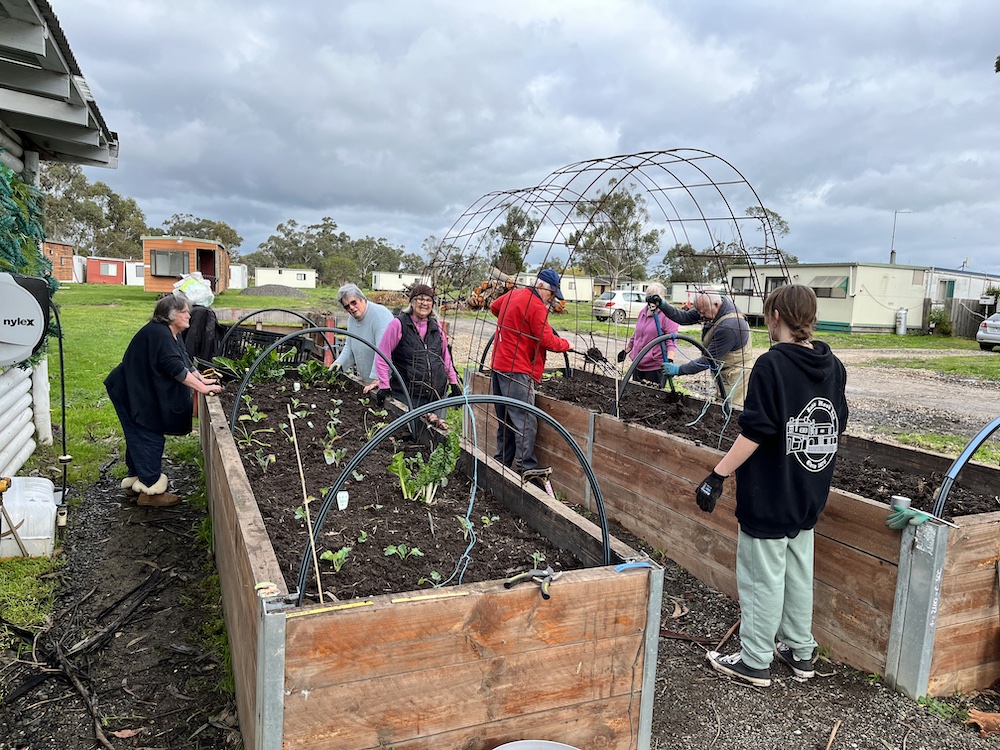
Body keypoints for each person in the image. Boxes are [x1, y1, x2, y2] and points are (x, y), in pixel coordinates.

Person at [694, 284, 848, 687]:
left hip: (770, 492)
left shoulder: (771, 365)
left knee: (762, 575)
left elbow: (756, 432)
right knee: (798, 571)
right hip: (808, 490)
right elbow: (836, 423)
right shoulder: (833, 366)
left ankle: (755, 659)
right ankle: (800, 652)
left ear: (775, 316)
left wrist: (717, 474)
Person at [105, 294, 223, 507]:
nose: (189, 315)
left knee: (138, 433)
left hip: (138, 388)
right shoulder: (158, 334)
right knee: (148, 434)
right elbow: (176, 369)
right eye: (184, 311)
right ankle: (150, 491)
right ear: (170, 316)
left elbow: (184, 360)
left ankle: (137, 480)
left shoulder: (171, 333)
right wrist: (203, 388)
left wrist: (201, 378)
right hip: (128, 390)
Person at [489, 269, 573, 477]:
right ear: (542, 286)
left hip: (499, 364)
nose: (551, 299)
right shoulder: (536, 306)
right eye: (551, 294)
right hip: (517, 369)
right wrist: (566, 345)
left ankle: (501, 462)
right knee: (525, 420)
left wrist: (515, 325)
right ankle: (526, 467)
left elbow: (494, 307)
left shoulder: (514, 294)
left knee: (506, 419)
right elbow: (547, 341)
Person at [372, 284, 461, 430]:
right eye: (420, 299)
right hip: (408, 395)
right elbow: (383, 356)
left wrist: (453, 382)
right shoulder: (399, 324)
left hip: (435, 395)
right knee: (409, 434)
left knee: (433, 436)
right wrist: (384, 385)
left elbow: (445, 356)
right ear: (412, 302)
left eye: (428, 300)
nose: (424, 303)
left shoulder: (436, 326)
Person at [645, 289, 752, 406]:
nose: (700, 315)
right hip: (722, 368)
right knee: (720, 404)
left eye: (702, 312)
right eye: (698, 311)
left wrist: (678, 370)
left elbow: (707, 360)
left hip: (735, 374)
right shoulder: (711, 307)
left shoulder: (730, 327)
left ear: (715, 305)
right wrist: (663, 305)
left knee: (729, 407)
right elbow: (684, 317)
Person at [331, 283, 394, 389]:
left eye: (353, 302)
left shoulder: (380, 315)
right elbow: (349, 347)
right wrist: (339, 364)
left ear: (362, 298)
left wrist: (378, 379)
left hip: (386, 383)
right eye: (347, 306)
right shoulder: (352, 319)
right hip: (367, 382)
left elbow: (383, 351)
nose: (351, 308)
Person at [625, 281, 679, 388]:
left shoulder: (668, 315)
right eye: (649, 298)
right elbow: (637, 334)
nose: (652, 302)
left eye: (655, 298)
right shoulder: (643, 312)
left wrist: (670, 360)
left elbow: (671, 340)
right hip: (638, 363)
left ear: (662, 298)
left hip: (654, 367)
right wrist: (626, 350)